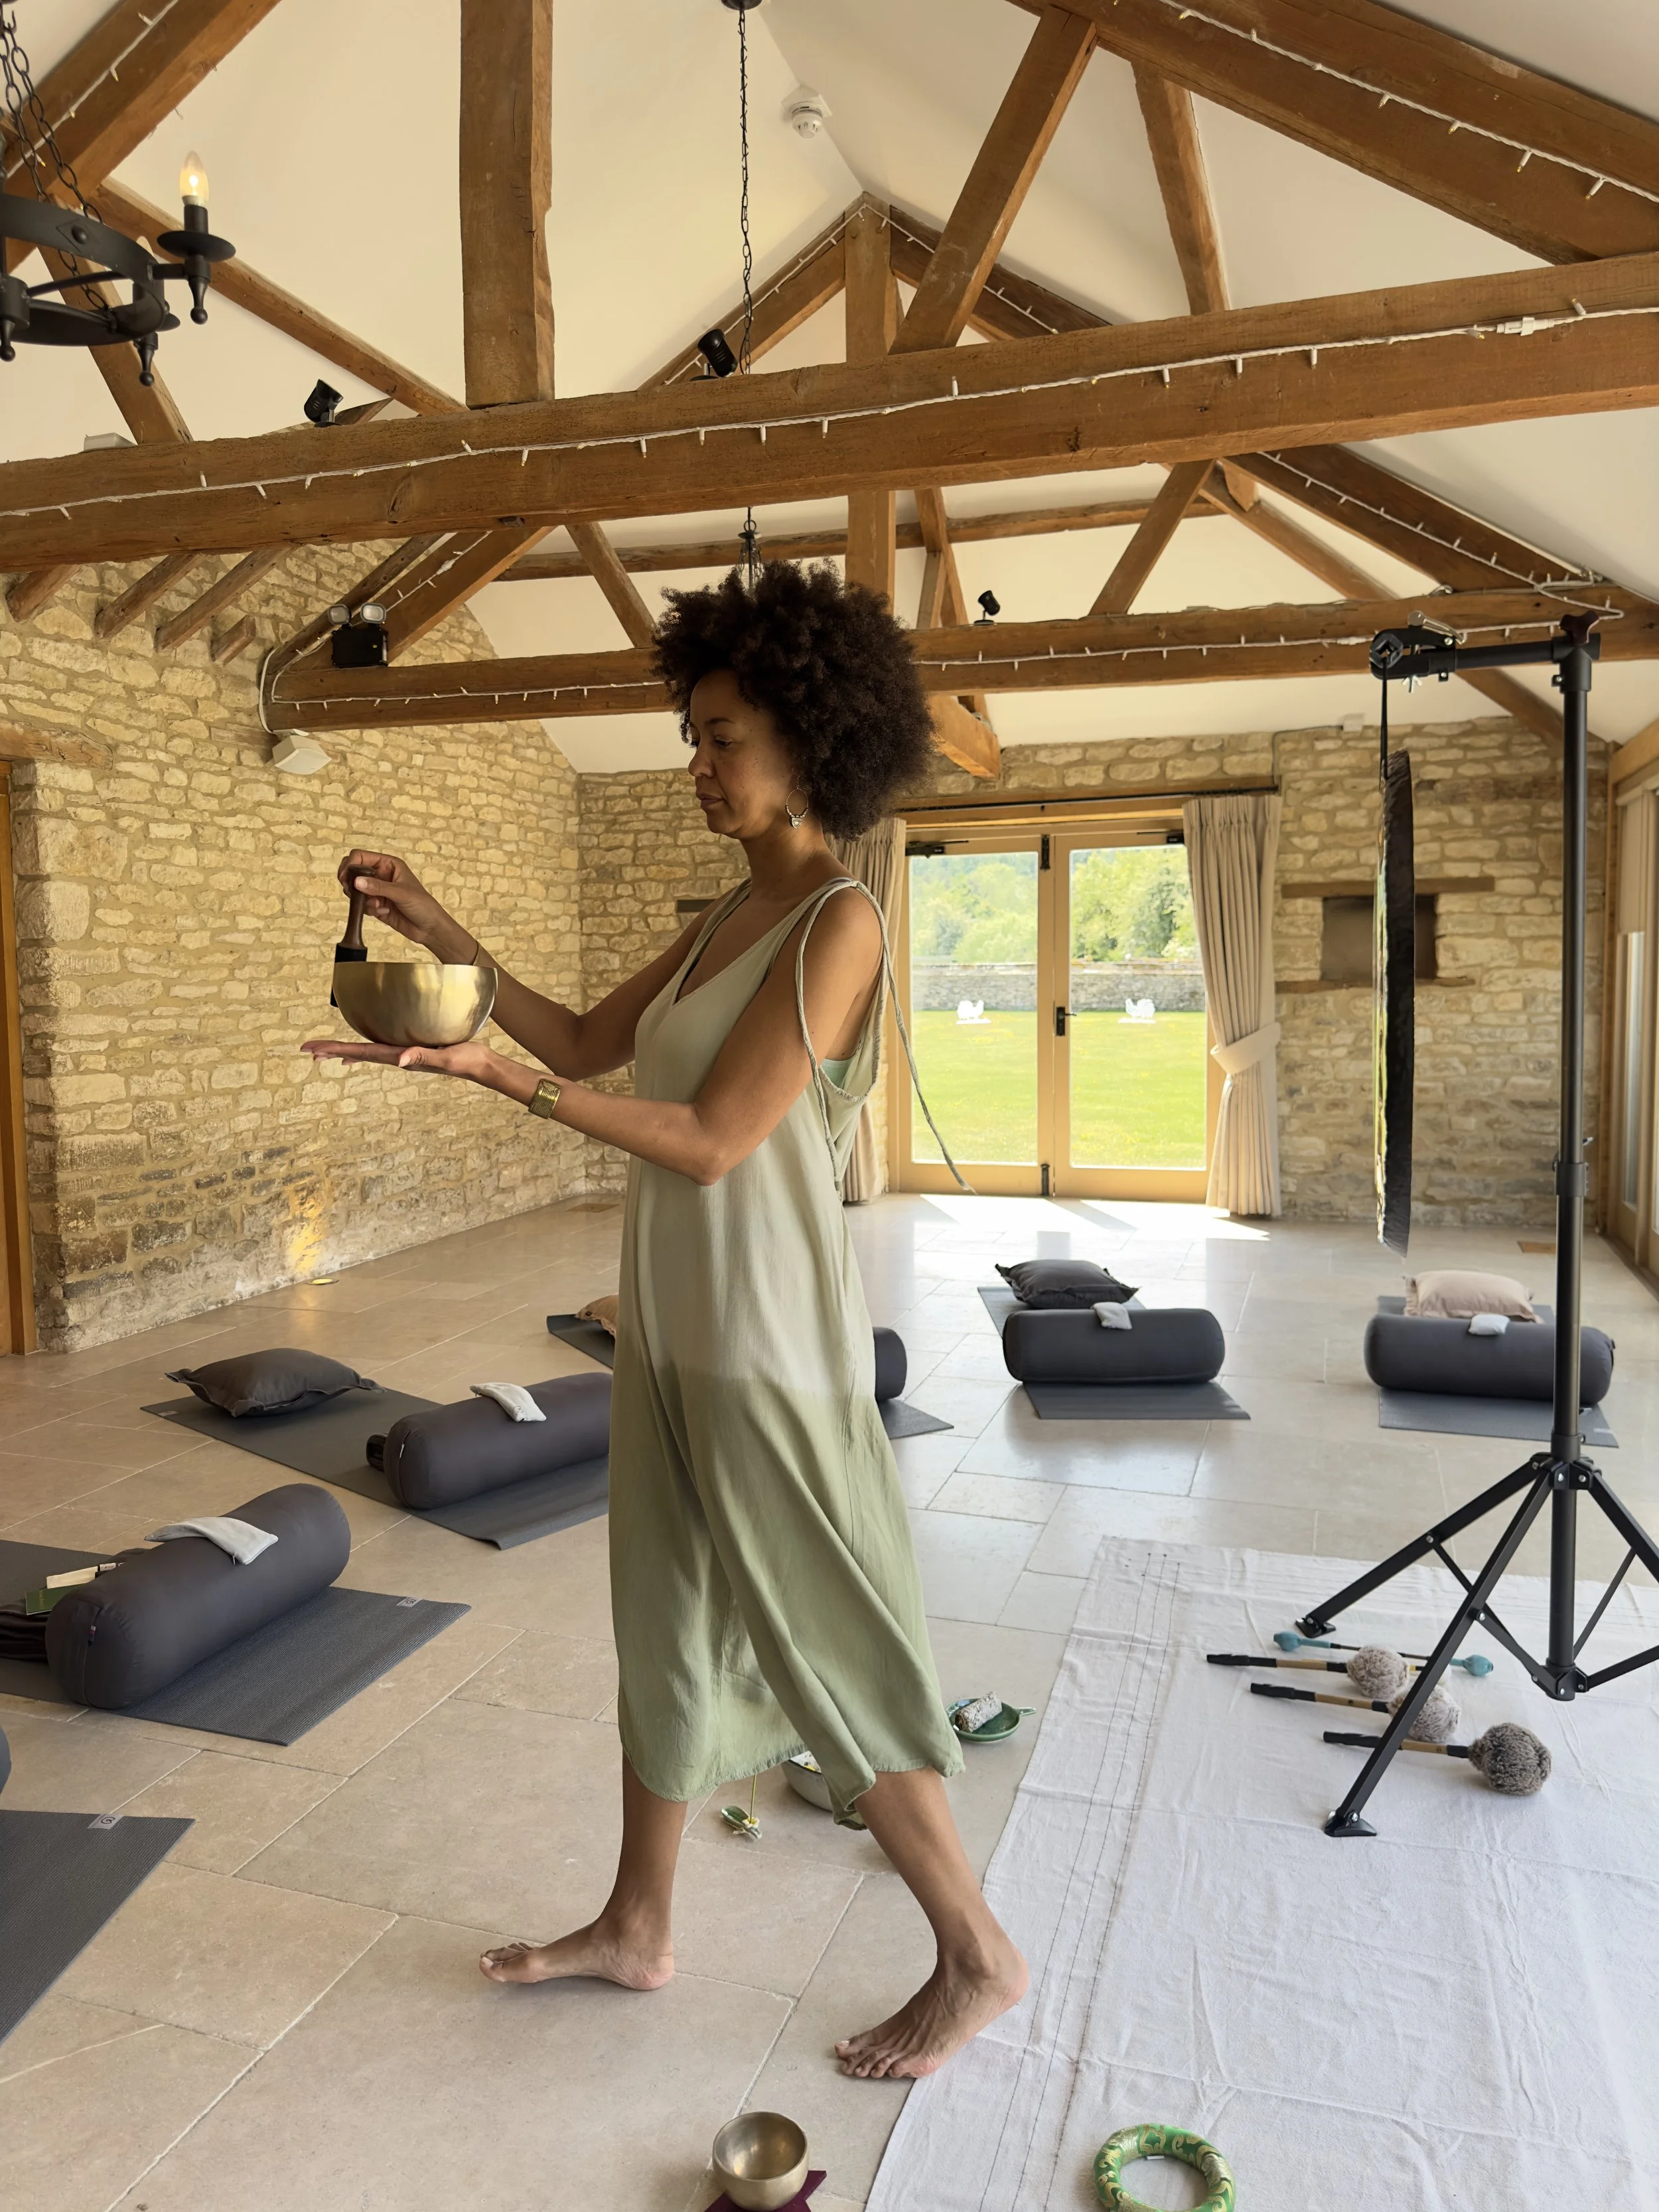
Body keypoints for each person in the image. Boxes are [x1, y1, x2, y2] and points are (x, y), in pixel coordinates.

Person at [303, 562, 1026, 2079]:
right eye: (690, 736)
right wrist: (435, 926)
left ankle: (976, 1954)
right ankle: (637, 1922)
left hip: (768, 1353)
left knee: (831, 1648)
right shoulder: (723, 916)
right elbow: (575, 1033)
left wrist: (507, 1090)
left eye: (721, 739)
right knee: (667, 1630)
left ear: (809, 741)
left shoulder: (835, 921)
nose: (695, 766)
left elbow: (706, 1134)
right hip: (673, 1336)